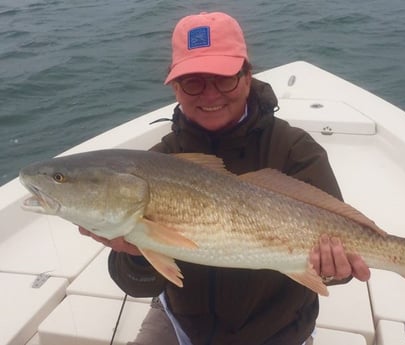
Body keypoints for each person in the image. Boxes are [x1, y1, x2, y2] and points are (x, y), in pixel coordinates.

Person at [79, 11, 370, 345]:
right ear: (176, 88)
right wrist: (134, 254)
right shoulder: (158, 161)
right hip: (184, 325)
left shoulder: (295, 150)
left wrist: (332, 270)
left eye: (224, 78)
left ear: (247, 76)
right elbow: (137, 285)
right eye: (193, 82)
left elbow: (338, 262)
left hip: (276, 331)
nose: (210, 95)